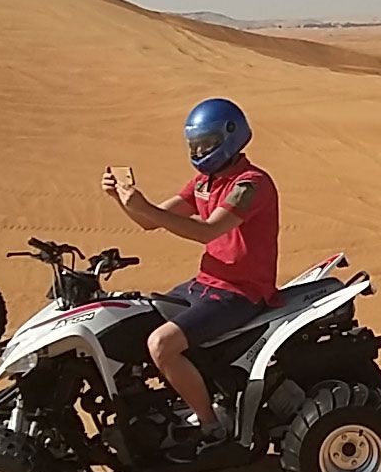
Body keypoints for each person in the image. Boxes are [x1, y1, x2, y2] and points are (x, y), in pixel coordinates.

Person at [101, 97, 280, 453]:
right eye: (195, 144)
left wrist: (146, 207)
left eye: (207, 143)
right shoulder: (204, 182)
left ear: (231, 136)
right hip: (205, 284)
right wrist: (122, 200)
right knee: (135, 315)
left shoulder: (250, 185)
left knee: (161, 345)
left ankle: (213, 429)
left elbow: (207, 231)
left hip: (239, 291)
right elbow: (149, 222)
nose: (200, 151)